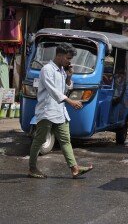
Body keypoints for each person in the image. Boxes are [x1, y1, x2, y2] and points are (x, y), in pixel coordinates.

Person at [28, 43, 94, 179]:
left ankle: (74, 168)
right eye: (68, 58)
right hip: (46, 111)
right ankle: (32, 168)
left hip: (60, 111)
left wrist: (69, 77)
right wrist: (70, 101)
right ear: (59, 55)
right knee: (39, 140)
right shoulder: (47, 70)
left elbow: (64, 90)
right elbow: (53, 91)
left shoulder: (62, 71)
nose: (69, 62)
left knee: (65, 140)